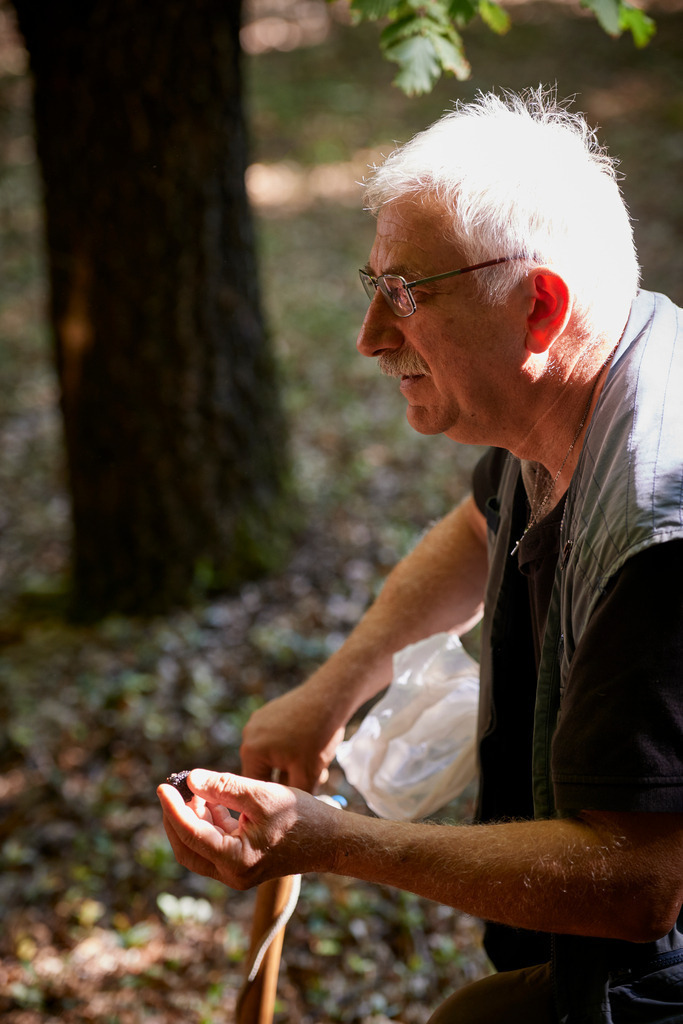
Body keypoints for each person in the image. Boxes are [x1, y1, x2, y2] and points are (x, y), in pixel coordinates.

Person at [158, 89, 683, 1022]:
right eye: (375, 289)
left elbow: (635, 883)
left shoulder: (658, 532)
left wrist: (333, 841)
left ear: (538, 309)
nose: (369, 339)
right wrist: (336, 688)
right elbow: (481, 525)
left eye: (407, 296)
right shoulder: (572, 397)